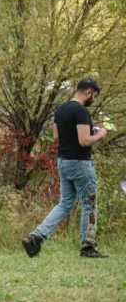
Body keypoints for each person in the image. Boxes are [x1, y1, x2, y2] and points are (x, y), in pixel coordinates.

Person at [22, 78, 110, 259]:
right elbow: (84, 141)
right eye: (94, 96)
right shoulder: (81, 110)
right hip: (80, 163)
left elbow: (56, 137)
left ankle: (36, 237)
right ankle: (88, 247)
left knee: (64, 204)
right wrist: (100, 134)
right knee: (89, 204)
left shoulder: (61, 109)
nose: (94, 99)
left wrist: (87, 132)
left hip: (63, 162)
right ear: (88, 92)